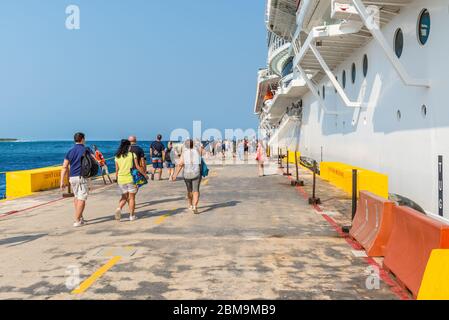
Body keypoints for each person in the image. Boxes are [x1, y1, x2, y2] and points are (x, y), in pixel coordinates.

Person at [60, 132, 95, 227]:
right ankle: (77, 220)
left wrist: (62, 181)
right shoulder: (86, 149)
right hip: (82, 177)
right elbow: (94, 160)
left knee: (76, 197)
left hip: (72, 177)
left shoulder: (70, 151)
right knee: (82, 199)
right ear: (82, 139)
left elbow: (64, 167)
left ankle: (80, 217)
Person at [114, 139, 147, 222]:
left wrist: (117, 179)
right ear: (128, 146)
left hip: (121, 179)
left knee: (124, 197)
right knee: (132, 198)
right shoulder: (132, 155)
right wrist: (144, 174)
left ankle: (119, 208)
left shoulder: (117, 156)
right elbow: (138, 167)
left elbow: (117, 170)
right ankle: (132, 216)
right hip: (130, 178)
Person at [174, 139, 202, 214]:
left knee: (189, 191)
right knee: (196, 190)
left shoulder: (184, 153)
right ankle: (195, 206)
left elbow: (180, 165)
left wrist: (175, 175)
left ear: (185, 145)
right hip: (196, 173)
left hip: (187, 174)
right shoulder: (197, 152)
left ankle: (190, 205)